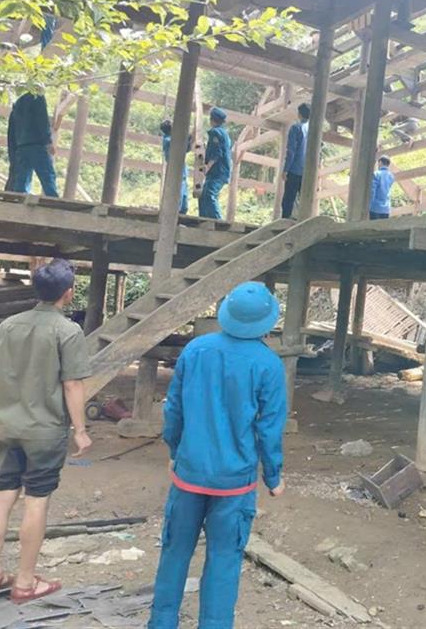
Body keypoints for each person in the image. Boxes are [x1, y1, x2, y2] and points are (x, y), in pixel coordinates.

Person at [149, 282, 287, 629]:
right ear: (266, 323)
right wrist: (273, 476)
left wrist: (174, 450)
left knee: (175, 552)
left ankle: (161, 622)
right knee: (224, 559)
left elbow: (174, 409)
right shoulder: (269, 366)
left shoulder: (196, 350)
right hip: (235, 482)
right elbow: (270, 428)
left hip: (189, 474)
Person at [0, 258, 92, 603]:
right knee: (36, 501)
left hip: (10, 425)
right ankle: (26, 582)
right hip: (44, 430)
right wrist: (81, 429)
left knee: (3, 495)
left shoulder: (8, 326)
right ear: (68, 292)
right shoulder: (68, 331)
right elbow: (72, 384)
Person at [6, 93, 59, 197]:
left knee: (22, 176)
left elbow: (11, 131)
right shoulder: (37, 97)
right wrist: (48, 141)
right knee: (47, 174)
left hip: (21, 146)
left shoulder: (18, 103)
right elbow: (42, 120)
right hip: (37, 144)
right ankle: (52, 199)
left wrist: (14, 151)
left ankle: (19, 197)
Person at [198, 107, 232, 220]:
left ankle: (218, 221)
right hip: (220, 171)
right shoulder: (225, 134)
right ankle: (203, 219)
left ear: (212, 119)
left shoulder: (215, 133)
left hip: (218, 171)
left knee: (209, 194)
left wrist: (208, 166)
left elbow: (217, 153)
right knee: (203, 195)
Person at [281, 103, 311, 219]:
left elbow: (291, 151)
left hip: (295, 169)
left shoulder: (296, 128)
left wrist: (285, 169)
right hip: (308, 171)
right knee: (305, 199)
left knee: (288, 199)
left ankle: (284, 222)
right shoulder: (314, 129)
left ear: (299, 114)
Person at [160, 119, 190, 215]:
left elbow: (185, 147)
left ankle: (182, 212)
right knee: (179, 191)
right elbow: (182, 146)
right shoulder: (169, 140)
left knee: (183, 192)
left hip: (180, 169)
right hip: (176, 169)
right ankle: (176, 213)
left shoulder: (170, 139)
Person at [369, 155, 395, 220]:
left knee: (373, 228)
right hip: (386, 208)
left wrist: (369, 206)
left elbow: (372, 191)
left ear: (380, 162)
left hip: (375, 208)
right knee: (383, 229)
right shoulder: (391, 176)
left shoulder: (376, 174)